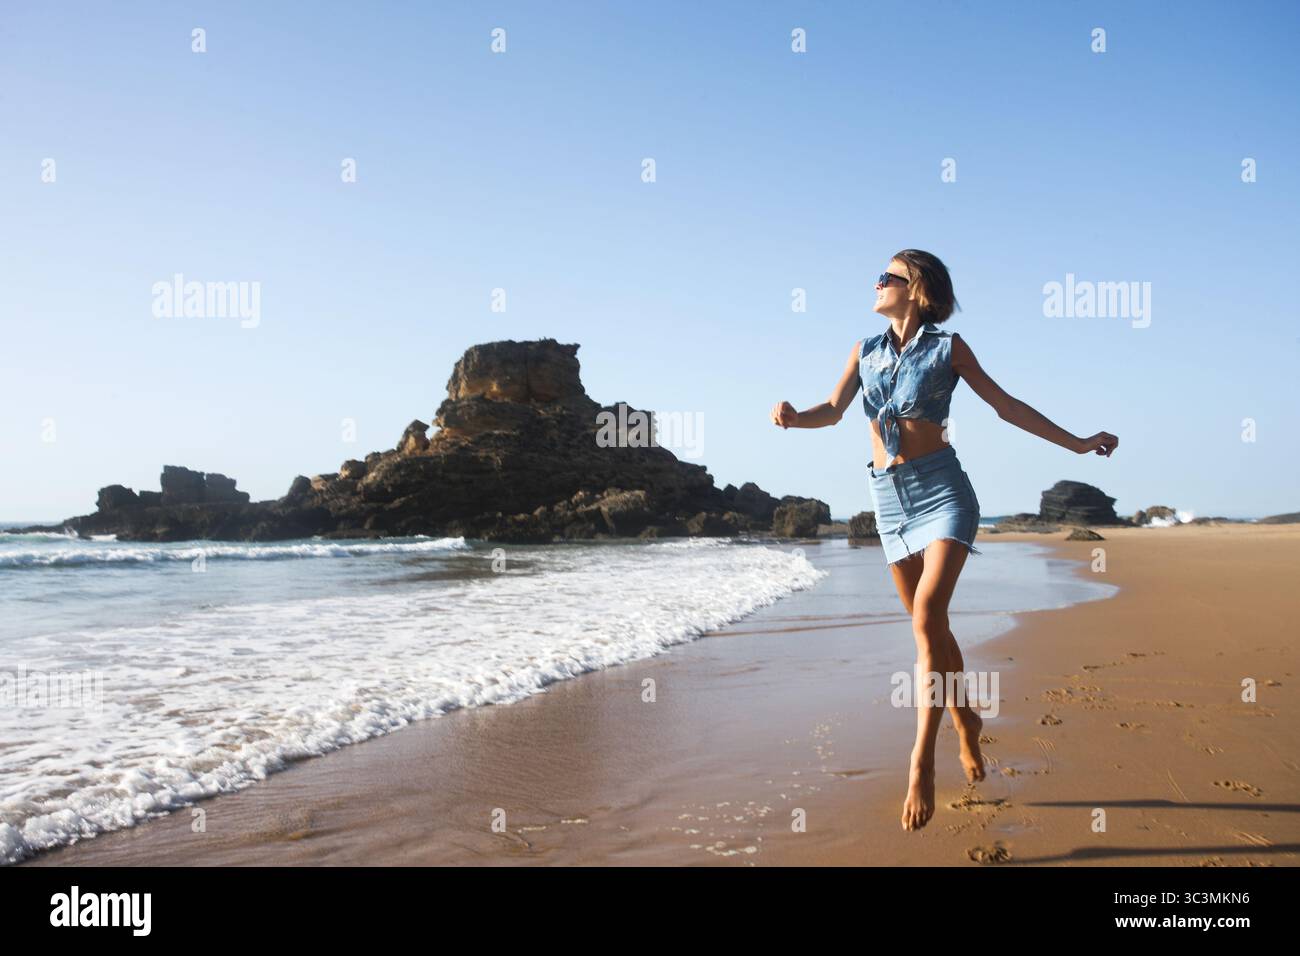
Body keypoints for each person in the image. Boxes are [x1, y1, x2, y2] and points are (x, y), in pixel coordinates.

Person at [770, 249, 1118, 831]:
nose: (876, 283)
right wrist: (790, 417)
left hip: (944, 495)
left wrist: (1078, 443)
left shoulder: (948, 349)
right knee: (934, 631)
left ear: (917, 288)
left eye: (887, 277)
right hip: (887, 501)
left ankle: (920, 764)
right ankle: (966, 724)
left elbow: (1007, 408)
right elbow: (832, 411)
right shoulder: (865, 350)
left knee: (927, 616)